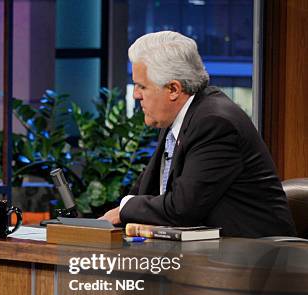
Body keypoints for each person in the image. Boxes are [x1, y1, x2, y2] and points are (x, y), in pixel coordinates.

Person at [99, 31, 295, 238]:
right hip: (212, 253)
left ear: (173, 89)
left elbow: (182, 208)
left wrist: (125, 209)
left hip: (258, 257)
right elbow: (147, 191)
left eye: (142, 86)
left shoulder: (215, 123)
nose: (135, 94)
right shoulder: (179, 117)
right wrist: (113, 214)